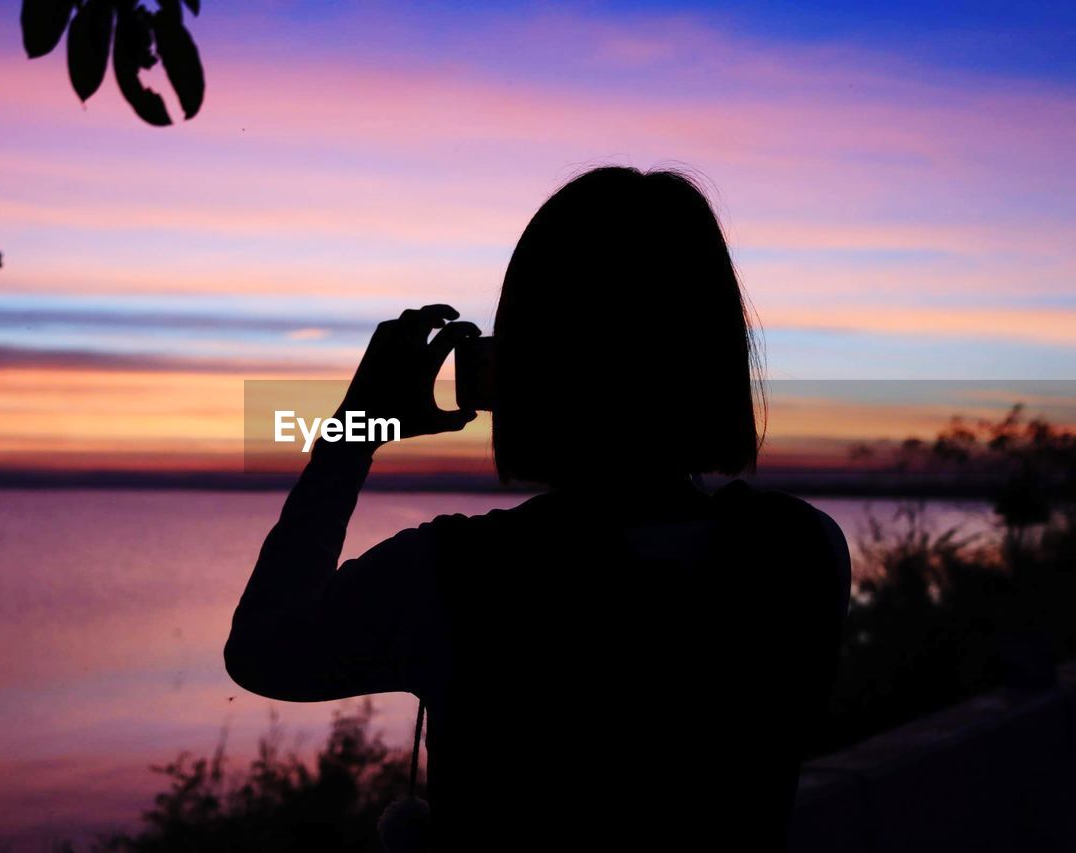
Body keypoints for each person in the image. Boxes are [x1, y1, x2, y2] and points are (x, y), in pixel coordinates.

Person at [225, 166, 852, 850]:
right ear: (715, 354)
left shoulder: (456, 575)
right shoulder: (801, 550)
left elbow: (261, 651)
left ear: (526, 364)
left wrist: (353, 432)